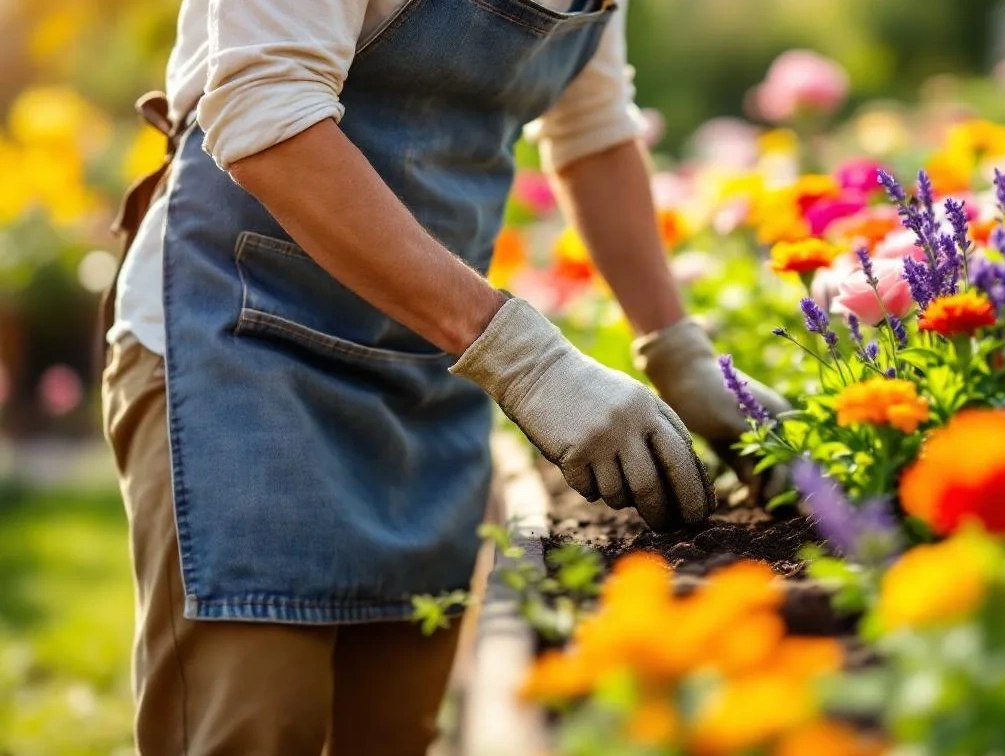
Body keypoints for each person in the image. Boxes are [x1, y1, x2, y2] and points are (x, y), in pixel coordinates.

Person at [100, 0, 788, 753]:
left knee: (392, 732)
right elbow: (266, 112)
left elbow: (593, 129)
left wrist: (676, 351)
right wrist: (527, 360)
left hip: (430, 364)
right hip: (243, 349)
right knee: (256, 724)